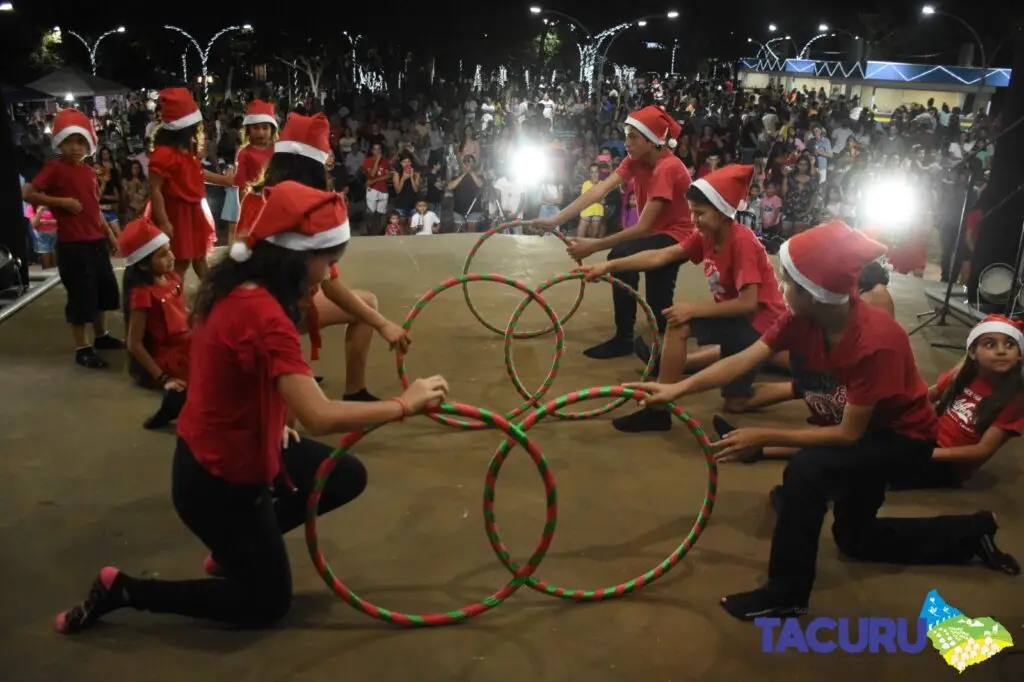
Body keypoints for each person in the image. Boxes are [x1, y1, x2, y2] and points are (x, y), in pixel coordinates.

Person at [54, 182, 451, 634]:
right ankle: (125, 590)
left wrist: (278, 416)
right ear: (297, 258)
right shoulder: (263, 314)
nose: (330, 274)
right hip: (215, 481)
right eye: (329, 262)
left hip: (251, 441)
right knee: (266, 602)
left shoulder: (242, 286)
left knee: (345, 475)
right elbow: (320, 415)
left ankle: (233, 550)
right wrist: (405, 403)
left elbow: (236, 375)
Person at [630, 221, 1019, 621]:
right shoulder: (799, 319)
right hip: (867, 430)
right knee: (855, 539)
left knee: (807, 472)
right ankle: (972, 533)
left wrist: (763, 436)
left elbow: (849, 434)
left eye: (786, 282)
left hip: (903, 441)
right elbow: (744, 360)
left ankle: (787, 593)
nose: (779, 288)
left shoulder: (875, 340)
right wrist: (675, 389)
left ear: (814, 293)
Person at [582, 165, 786, 433]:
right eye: (691, 211)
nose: (693, 219)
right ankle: (658, 410)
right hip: (738, 321)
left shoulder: (742, 241)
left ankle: (796, 389)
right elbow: (661, 256)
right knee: (679, 325)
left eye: (699, 213)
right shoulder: (706, 236)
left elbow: (748, 304)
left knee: (735, 402)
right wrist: (609, 266)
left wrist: (693, 308)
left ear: (723, 212)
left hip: (759, 327)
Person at [236, 112, 410, 396]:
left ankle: (354, 391)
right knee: (288, 418)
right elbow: (320, 418)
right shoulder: (285, 204)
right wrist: (404, 404)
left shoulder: (263, 199)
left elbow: (328, 281)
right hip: (261, 315)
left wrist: (380, 323)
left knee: (365, 304)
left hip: (281, 303)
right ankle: (284, 372)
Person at [532, 105, 696, 359]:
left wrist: (593, 245)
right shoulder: (636, 160)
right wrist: (556, 219)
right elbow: (598, 191)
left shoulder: (668, 168)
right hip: (657, 234)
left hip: (678, 237)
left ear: (652, 141)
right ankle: (658, 330)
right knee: (658, 301)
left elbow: (642, 228)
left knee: (622, 258)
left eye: (633, 137)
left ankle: (627, 338)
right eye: (626, 135)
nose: (626, 143)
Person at [21, 109, 125, 369]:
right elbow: (27, 192)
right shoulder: (54, 168)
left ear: (89, 142)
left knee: (103, 292)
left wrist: (110, 236)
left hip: (95, 242)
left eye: (80, 142)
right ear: (60, 142)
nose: (75, 147)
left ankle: (101, 337)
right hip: (73, 245)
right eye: (70, 142)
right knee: (81, 297)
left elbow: (93, 208)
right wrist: (60, 202)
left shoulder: (89, 171)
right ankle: (83, 348)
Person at [889, 315, 1024, 490]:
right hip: (926, 437)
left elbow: (982, 450)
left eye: (1010, 345)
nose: (1001, 351)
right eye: (990, 344)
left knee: (875, 468)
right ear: (973, 352)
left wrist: (926, 454)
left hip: (947, 464)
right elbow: (927, 396)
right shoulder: (962, 375)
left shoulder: (1014, 398)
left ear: (1020, 355)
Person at [147, 88, 235, 281]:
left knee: (199, 258)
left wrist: (224, 180)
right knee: (181, 262)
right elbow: (155, 189)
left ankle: (213, 296)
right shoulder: (164, 154)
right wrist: (163, 221)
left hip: (193, 212)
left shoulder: (187, 150)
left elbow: (197, 174)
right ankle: (174, 304)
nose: (198, 130)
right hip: (177, 214)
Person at [119, 216, 189, 429]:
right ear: (142, 265)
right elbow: (134, 343)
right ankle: (173, 402)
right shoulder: (143, 294)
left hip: (185, 341)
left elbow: (181, 312)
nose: (171, 257)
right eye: (162, 254)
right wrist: (163, 377)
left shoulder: (172, 278)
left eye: (169, 249)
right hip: (168, 355)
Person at [227, 100, 278, 243]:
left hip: (278, 201)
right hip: (255, 203)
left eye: (265, 128)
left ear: (272, 129)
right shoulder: (244, 153)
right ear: (248, 129)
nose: (260, 132)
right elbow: (241, 185)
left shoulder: (279, 149)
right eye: (256, 128)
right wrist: (246, 209)